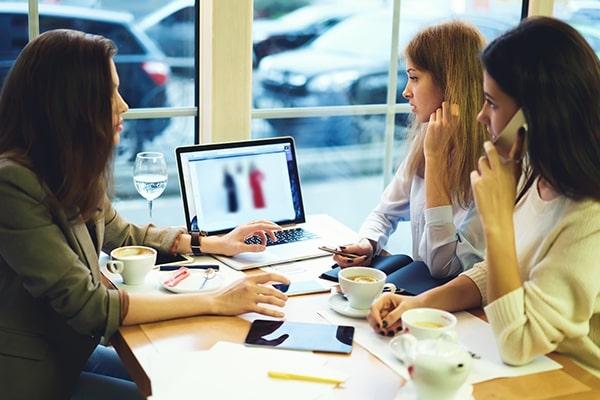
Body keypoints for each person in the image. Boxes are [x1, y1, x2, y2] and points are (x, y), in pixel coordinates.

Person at [0, 29, 290, 399]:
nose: (123, 105)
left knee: (183, 375)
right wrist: (216, 299)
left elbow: (125, 234)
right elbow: (90, 307)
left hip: (72, 352)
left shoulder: (67, 169)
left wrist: (216, 242)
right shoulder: (13, 184)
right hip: (33, 375)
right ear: (70, 104)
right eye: (109, 93)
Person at [368, 17, 600, 376]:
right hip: (526, 367)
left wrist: (496, 223)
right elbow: (490, 272)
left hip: (569, 379)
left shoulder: (588, 215)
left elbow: (520, 342)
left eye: (491, 102)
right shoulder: (531, 175)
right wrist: (420, 303)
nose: (480, 115)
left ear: (536, 113)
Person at [333, 21, 488, 278]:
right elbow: (384, 212)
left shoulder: (489, 165)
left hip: (459, 310)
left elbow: (443, 267)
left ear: (450, 83)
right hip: (421, 296)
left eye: (414, 78)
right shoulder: (427, 140)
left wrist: (436, 160)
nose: (406, 92)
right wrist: (367, 243)